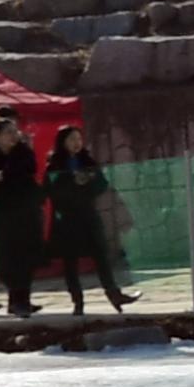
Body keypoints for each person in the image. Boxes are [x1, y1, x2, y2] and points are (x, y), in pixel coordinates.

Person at [43, 126, 133, 311]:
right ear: (63, 142)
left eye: (78, 139)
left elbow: (101, 185)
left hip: (89, 215)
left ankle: (114, 295)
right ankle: (78, 301)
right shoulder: (55, 165)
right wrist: (72, 182)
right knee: (71, 262)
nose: (76, 143)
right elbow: (51, 190)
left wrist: (87, 181)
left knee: (101, 256)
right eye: (72, 140)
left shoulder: (87, 160)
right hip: (68, 219)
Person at [0, 108, 43, 316]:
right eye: (9, 133)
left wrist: (0, 176)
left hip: (27, 209)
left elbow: (27, 169)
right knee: (8, 258)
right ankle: (16, 299)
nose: (14, 136)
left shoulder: (23, 152)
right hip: (3, 212)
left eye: (15, 132)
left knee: (27, 256)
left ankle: (22, 300)